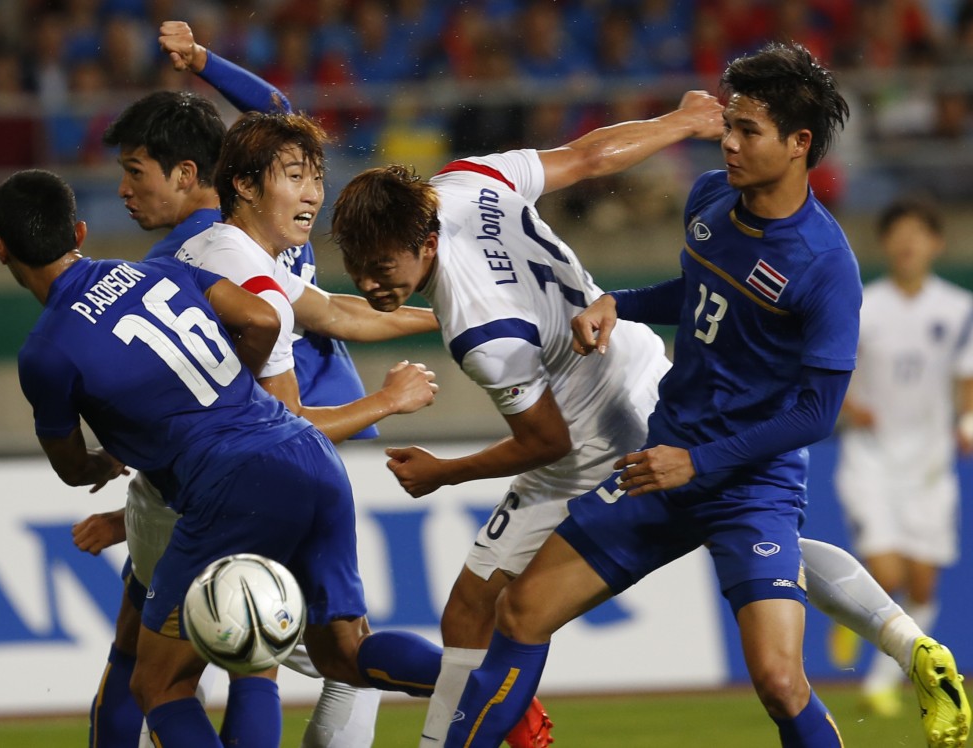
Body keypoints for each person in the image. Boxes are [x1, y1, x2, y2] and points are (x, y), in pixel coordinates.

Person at [429, 42, 969, 748]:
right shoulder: (711, 196)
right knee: (521, 612)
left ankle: (902, 652)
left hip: (749, 483)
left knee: (779, 682)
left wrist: (700, 463)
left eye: (748, 130)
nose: (729, 141)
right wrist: (616, 302)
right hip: (661, 463)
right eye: (730, 124)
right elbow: (701, 290)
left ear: (799, 143)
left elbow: (817, 412)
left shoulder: (825, 266)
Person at [0, 167, 441, 748]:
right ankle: (483, 685)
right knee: (346, 655)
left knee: (159, 683)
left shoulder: (46, 352)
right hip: (306, 452)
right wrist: (236, 391)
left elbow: (72, 468)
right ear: (79, 232)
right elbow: (260, 316)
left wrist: (108, 460)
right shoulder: (159, 269)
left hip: (228, 485)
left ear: (1, 249)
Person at [331, 89, 722, 747]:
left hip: (596, 431)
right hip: (633, 362)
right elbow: (589, 155)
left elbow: (545, 441)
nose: (370, 283)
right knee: (469, 610)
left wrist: (445, 473)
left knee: (518, 610)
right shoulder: (466, 180)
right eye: (358, 266)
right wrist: (682, 121)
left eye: (383, 267)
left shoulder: (479, 329)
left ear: (424, 242)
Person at [79, 21, 416, 748]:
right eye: (295, 175)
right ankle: (469, 680)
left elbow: (277, 115)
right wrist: (390, 394)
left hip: (216, 478)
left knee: (147, 660)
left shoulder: (205, 252)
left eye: (136, 171)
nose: (125, 190)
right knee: (290, 661)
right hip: (257, 470)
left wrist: (203, 61)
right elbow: (290, 375)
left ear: (191, 173)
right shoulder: (251, 248)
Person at [832, 195, 973, 717]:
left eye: (920, 233)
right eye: (900, 232)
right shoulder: (864, 305)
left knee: (922, 582)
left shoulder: (958, 309)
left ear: (936, 243)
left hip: (930, 462)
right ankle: (850, 620)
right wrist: (851, 407)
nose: (910, 242)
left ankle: (878, 681)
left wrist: (966, 422)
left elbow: (966, 378)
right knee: (885, 573)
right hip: (871, 455)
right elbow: (832, 369)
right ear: (886, 242)